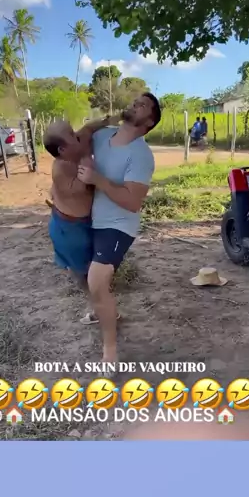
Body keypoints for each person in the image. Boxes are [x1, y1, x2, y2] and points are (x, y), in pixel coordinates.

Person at [77, 92, 161, 363]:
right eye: (135, 101)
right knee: (78, 270)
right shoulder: (103, 135)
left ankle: (110, 351)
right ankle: (103, 311)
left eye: (143, 105)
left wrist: (97, 180)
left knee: (96, 280)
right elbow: (80, 137)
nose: (135, 104)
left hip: (118, 225)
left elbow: (132, 202)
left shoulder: (141, 155)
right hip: (91, 216)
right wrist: (101, 122)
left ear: (149, 122)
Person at [44, 115, 121, 281]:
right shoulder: (61, 171)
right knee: (81, 268)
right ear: (62, 150)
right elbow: (84, 189)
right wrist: (88, 166)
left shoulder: (77, 143)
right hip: (71, 227)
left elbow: (89, 128)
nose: (78, 134)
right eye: (72, 134)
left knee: (94, 257)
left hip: (87, 220)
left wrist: (109, 120)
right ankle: (81, 278)